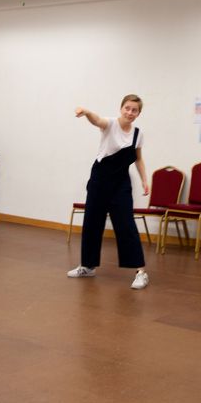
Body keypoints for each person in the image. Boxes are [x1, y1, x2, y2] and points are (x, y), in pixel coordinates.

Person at [67, 95, 150, 290]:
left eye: (134, 110)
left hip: (120, 183)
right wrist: (86, 111)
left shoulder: (138, 134)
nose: (130, 112)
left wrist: (145, 180)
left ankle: (140, 272)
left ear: (138, 114)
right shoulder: (110, 124)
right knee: (92, 222)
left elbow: (138, 159)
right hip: (99, 180)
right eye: (127, 108)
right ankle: (87, 266)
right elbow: (97, 120)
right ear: (121, 108)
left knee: (126, 225)